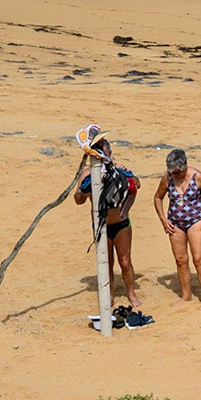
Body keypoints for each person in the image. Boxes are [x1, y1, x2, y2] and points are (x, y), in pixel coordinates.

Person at [71, 124, 146, 317]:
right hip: (101, 225)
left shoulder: (117, 169)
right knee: (107, 262)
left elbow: (136, 184)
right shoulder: (87, 174)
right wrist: (84, 189)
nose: (107, 149)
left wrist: (129, 174)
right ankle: (109, 295)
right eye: (103, 146)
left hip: (121, 223)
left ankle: (131, 294)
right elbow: (78, 200)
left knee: (125, 261)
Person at [152, 148, 201, 308]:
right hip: (175, 222)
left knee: (199, 259)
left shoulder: (197, 177)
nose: (175, 175)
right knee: (180, 260)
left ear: (185, 166)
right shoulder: (167, 178)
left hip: (196, 220)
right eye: (173, 172)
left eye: (178, 172)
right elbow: (158, 197)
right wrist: (163, 220)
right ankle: (186, 295)